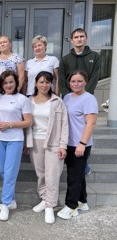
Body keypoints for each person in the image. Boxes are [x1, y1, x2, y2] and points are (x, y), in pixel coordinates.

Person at [26, 71, 68, 224]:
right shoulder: (29, 101)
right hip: (35, 141)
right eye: (41, 82)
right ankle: (44, 199)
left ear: (51, 84)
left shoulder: (57, 101)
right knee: (41, 174)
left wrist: (63, 145)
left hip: (54, 142)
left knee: (52, 175)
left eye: (47, 82)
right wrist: (26, 142)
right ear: (36, 83)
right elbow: (26, 123)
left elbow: (64, 124)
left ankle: (50, 206)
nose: (44, 85)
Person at [0, 70, 32, 221]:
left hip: (15, 139)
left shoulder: (22, 99)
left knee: (9, 171)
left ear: (16, 83)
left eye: (11, 82)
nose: (8, 85)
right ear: (1, 84)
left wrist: (9, 125)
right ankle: (11, 200)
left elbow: (28, 121)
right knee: (3, 171)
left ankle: (5, 204)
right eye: (5, 82)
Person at [57, 71, 98, 220]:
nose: (76, 84)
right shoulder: (67, 97)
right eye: (73, 81)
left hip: (80, 144)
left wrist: (82, 143)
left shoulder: (89, 99)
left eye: (79, 81)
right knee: (78, 174)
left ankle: (71, 206)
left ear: (85, 82)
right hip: (68, 142)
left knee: (74, 176)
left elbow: (91, 123)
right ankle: (83, 201)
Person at [58, 28, 100, 175]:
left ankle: (84, 162)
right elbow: (61, 80)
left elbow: (95, 76)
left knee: (84, 128)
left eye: (82, 36)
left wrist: (83, 94)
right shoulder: (65, 59)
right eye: (76, 37)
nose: (79, 39)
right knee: (69, 128)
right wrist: (69, 95)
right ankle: (70, 158)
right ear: (72, 40)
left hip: (85, 100)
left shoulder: (95, 56)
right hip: (70, 99)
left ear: (86, 38)